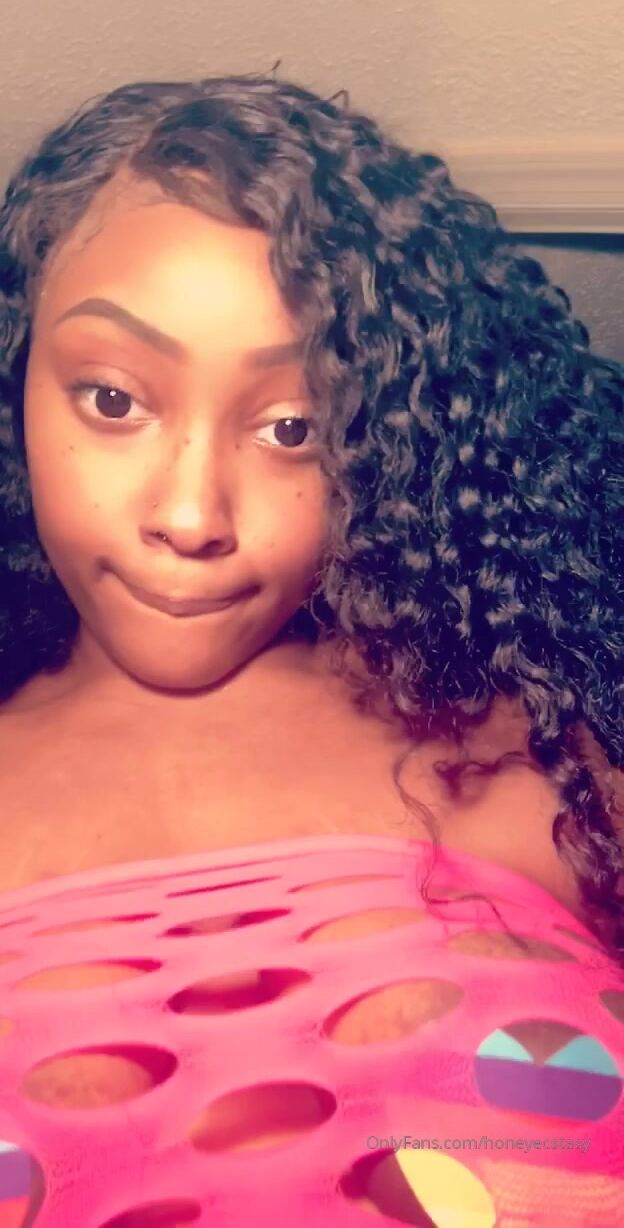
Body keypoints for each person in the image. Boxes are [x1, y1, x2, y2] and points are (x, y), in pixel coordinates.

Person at [0, 70, 622, 1228]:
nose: (191, 514)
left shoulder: (536, 755)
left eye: (292, 426)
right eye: (114, 400)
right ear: (14, 378)